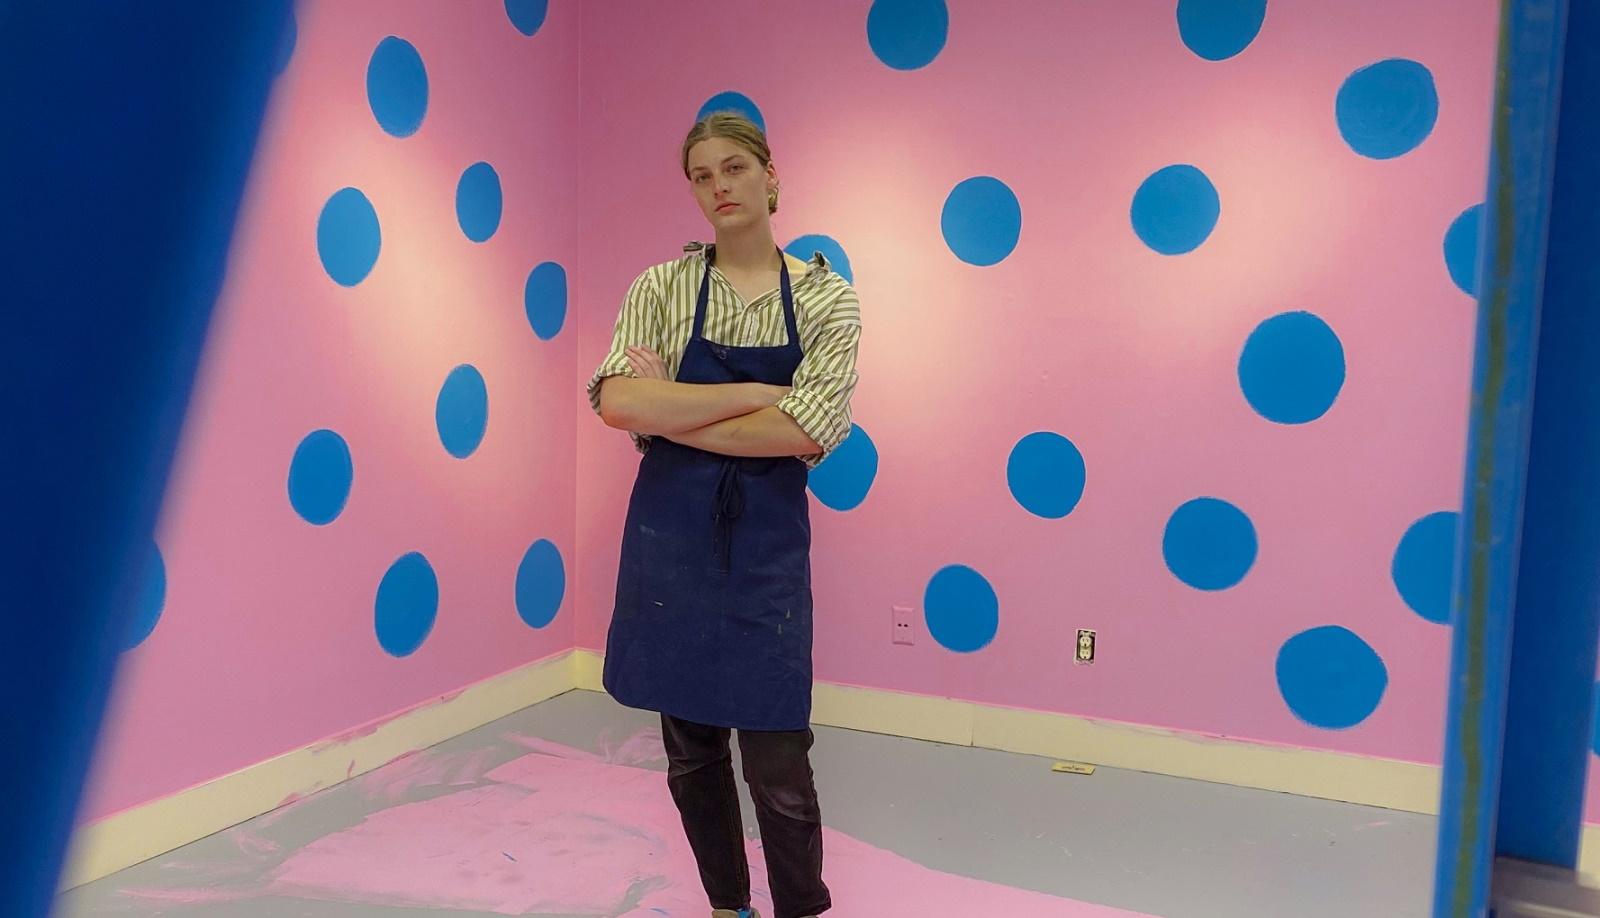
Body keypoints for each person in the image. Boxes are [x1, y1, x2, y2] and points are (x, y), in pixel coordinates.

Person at [586, 110, 862, 918]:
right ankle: (725, 906)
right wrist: (751, 394)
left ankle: (800, 909)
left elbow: (806, 427)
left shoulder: (825, 299)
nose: (720, 187)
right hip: (669, 542)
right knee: (691, 752)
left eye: (735, 168)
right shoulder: (661, 285)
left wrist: (672, 407)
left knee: (778, 758)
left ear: (771, 178)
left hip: (766, 551)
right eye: (702, 176)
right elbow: (614, 401)